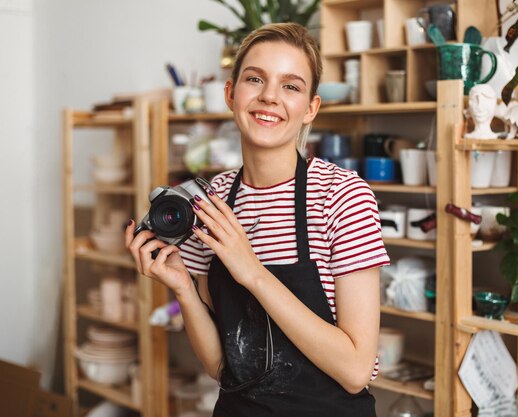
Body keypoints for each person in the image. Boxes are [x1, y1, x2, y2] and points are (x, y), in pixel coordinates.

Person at [125, 22, 390, 417]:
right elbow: (222, 366)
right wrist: (182, 288)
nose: (269, 97)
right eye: (255, 79)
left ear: (310, 109)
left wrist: (252, 271)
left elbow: (355, 371)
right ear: (231, 94)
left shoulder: (340, 195)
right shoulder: (211, 202)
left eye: (291, 86)